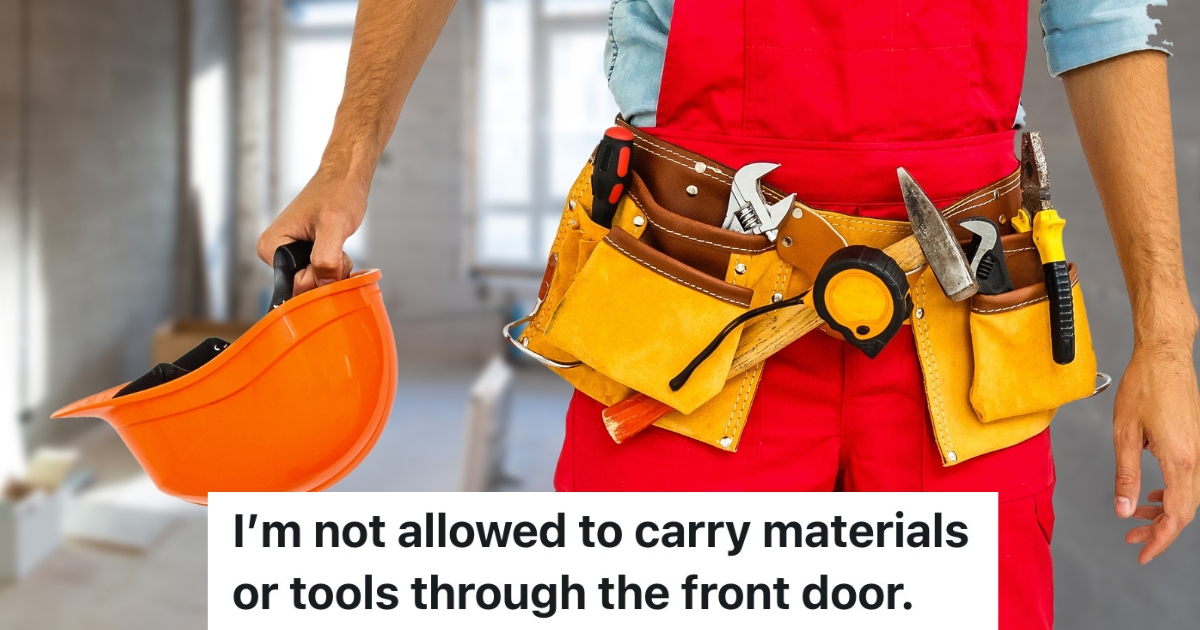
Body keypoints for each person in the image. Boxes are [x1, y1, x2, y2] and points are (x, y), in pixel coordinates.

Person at [258, 2, 1199, 627]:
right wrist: (348, 158)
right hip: (692, 310)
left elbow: (1106, 20)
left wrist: (1165, 332)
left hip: (955, 339)